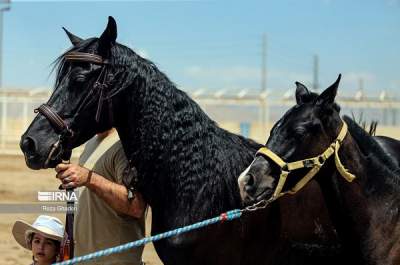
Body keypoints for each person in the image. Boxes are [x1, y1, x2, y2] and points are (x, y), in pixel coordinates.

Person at [55, 129, 147, 264]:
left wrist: (89, 178)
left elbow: (136, 206)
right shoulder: (92, 143)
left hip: (114, 261)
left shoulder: (124, 144)